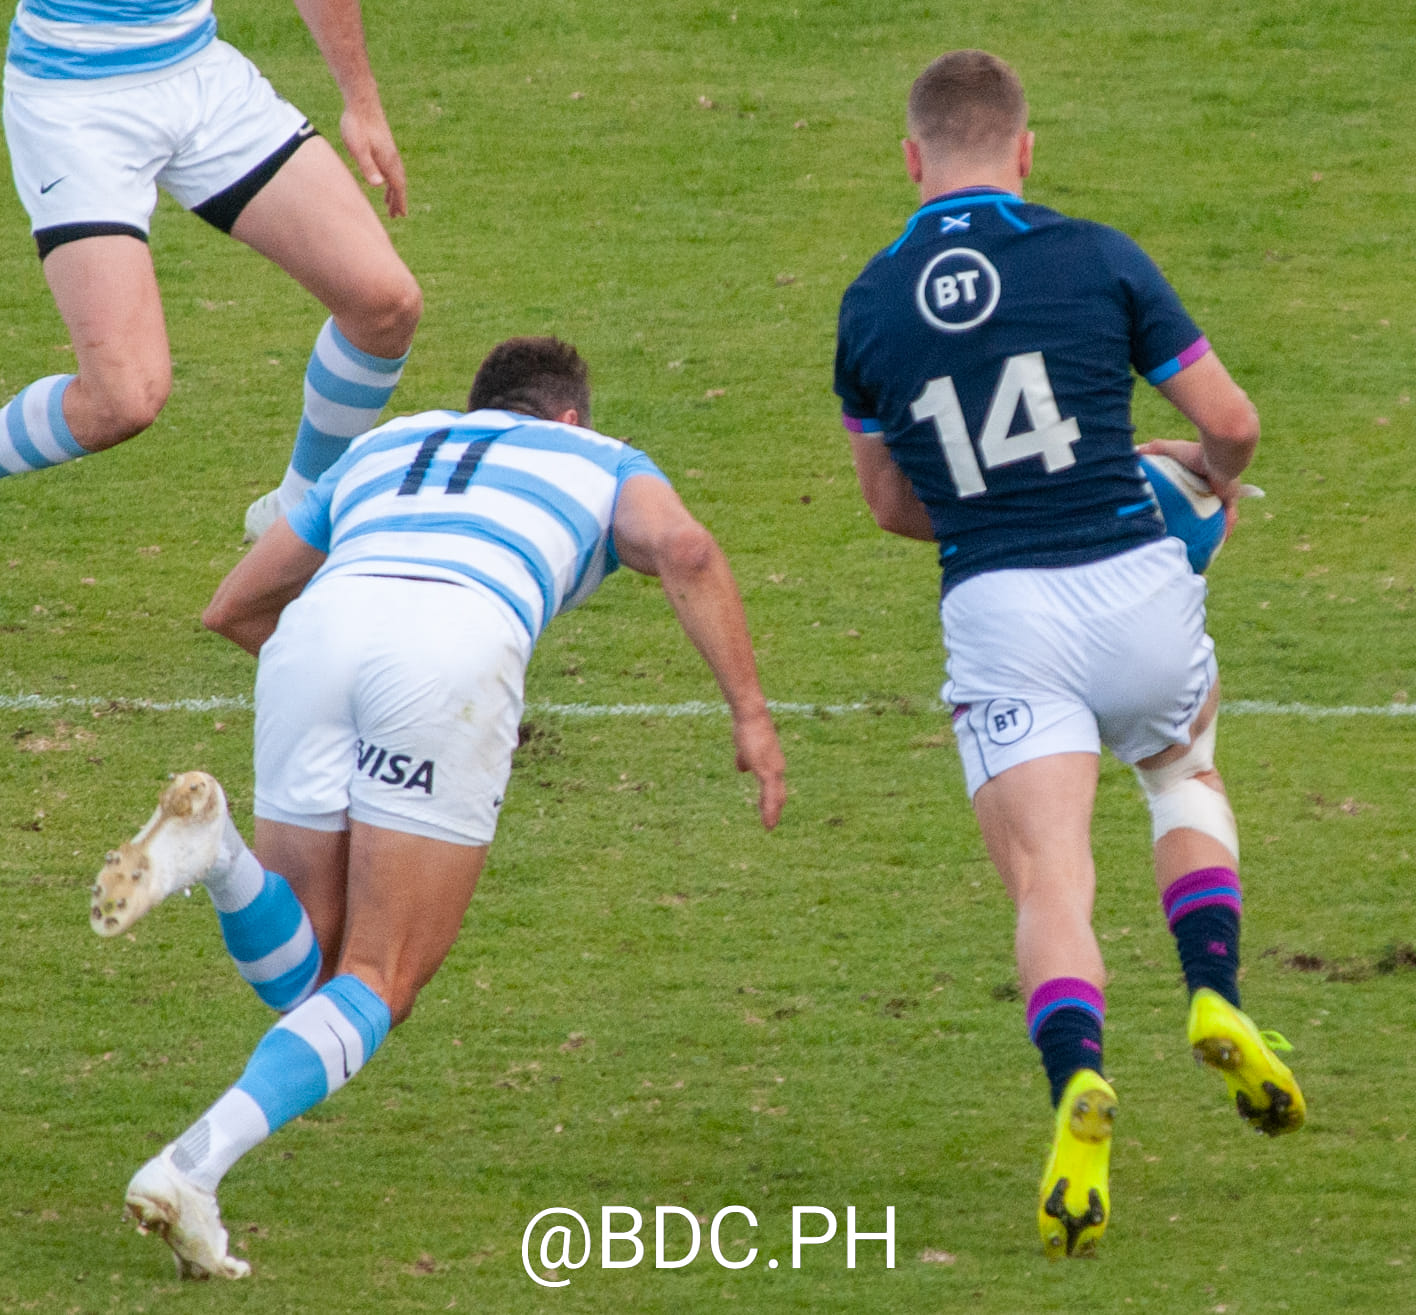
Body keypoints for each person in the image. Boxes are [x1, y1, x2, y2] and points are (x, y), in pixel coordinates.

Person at [89, 336, 787, 1278]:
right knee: (380, 978)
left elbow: (233, 609)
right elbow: (687, 549)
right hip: (455, 642)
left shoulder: (387, 445)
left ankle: (218, 856)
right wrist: (750, 712)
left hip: (317, 632)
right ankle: (191, 1166)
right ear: (569, 414)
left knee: (308, 982)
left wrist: (343, 708)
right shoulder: (602, 457)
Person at [833, 50, 1304, 1260]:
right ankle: (1214, 988)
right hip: (1136, 580)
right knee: (1183, 772)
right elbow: (1235, 424)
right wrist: (1204, 483)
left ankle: (1079, 1090)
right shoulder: (1097, 255)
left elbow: (889, 503)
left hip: (1002, 612)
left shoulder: (869, 304)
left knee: (1052, 879)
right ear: (1026, 150)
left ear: (912, 160)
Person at [1, 0, 421, 538]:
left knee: (384, 304)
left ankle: (296, 515)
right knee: (121, 400)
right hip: (75, 103)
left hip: (201, 79)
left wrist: (361, 104)